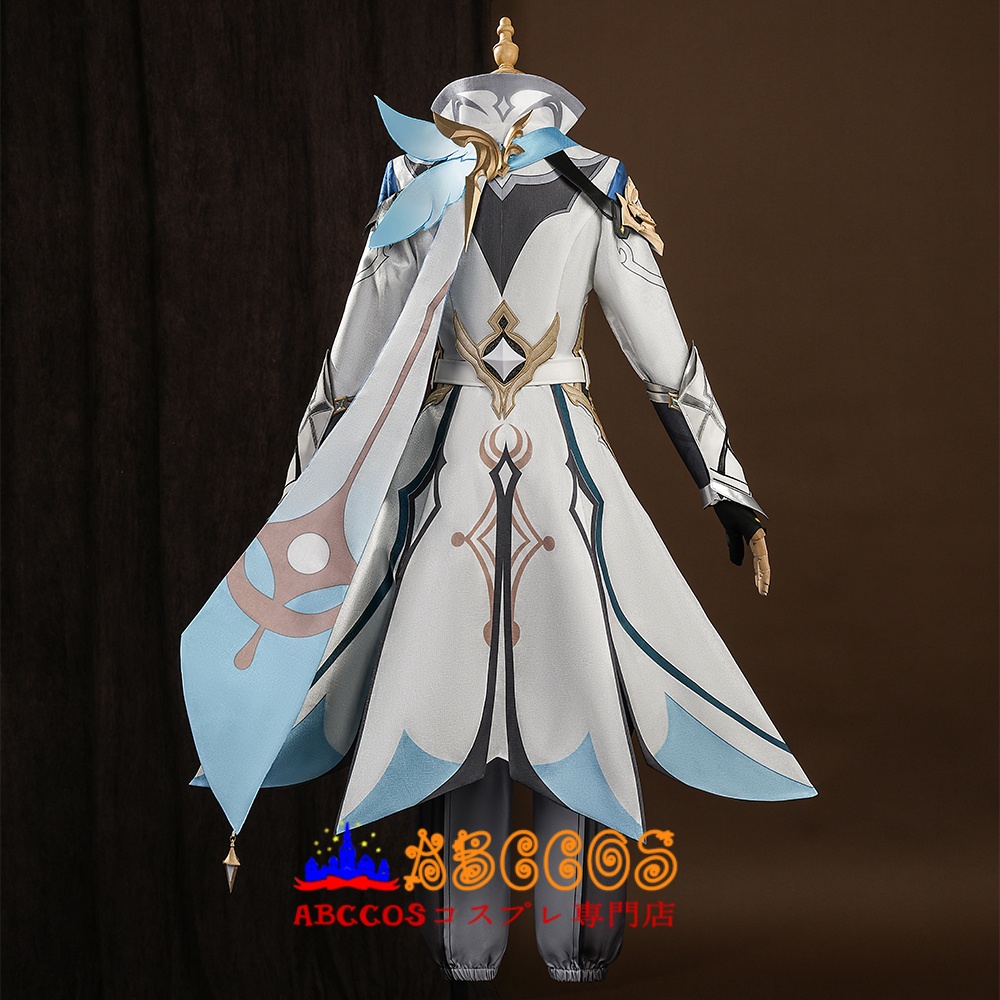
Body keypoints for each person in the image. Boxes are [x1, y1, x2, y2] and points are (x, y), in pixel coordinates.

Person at [182, 17, 815, 985]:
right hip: (454, 475)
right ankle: (475, 945)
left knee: (568, 694)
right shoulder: (423, 180)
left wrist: (727, 490)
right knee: (449, 703)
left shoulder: (589, 184)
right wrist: (301, 496)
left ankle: (565, 942)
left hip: (554, 474)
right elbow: (354, 357)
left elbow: (661, 353)